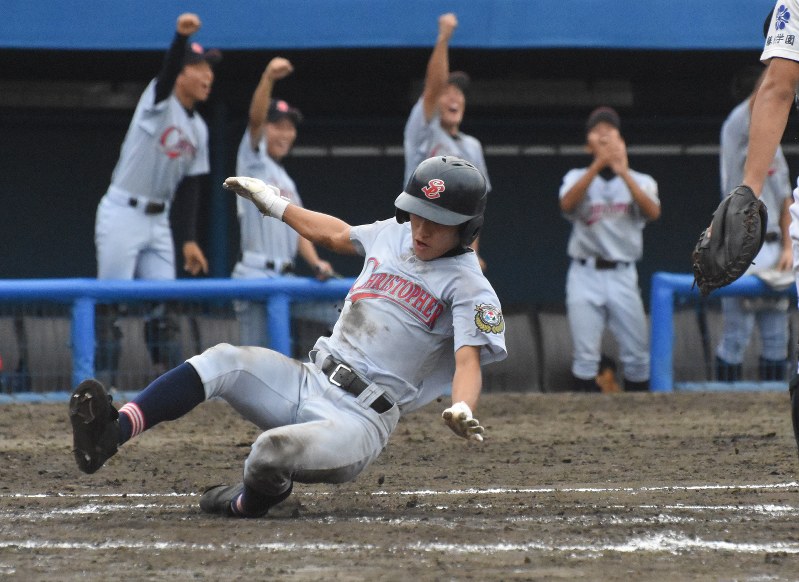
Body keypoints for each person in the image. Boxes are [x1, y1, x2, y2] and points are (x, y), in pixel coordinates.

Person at [69, 156, 507, 518]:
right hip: (308, 378)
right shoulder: (393, 235)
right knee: (223, 359)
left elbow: (467, 361)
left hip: (359, 420)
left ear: (467, 228)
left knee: (269, 452)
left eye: (437, 222)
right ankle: (113, 431)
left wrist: (463, 405)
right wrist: (275, 205)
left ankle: (247, 503)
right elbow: (334, 234)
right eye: (417, 214)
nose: (422, 229)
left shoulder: (469, 285)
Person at [94, 13, 220, 384]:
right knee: (111, 305)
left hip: (159, 219)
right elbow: (165, 76)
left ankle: (165, 384)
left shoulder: (199, 128)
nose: (208, 76)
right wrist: (179, 40)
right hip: (123, 210)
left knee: (165, 307)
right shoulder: (158, 100)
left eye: (210, 69)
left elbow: (191, 187)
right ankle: (100, 383)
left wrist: (189, 239)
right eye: (200, 68)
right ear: (182, 73)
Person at [232, 57, 338, 348]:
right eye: (277, 126)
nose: (286, 133)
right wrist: (267, 78)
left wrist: (316, 262)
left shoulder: (285, 179)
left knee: (337, 311)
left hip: (286, 277)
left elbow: (299, 227)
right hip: (256, 272)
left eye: (290, 127)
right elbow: (255, 120)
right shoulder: (252, 161)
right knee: (255, 356)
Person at [558, 107, 661, 393]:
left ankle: (639, 416)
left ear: (621, 140)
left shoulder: (641, 180)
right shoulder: (576, 176)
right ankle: (584, 417)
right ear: (587, 145)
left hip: (622, 273)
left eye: (610, 129)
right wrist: (597, 165)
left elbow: (653, 212)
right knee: (585, 357)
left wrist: (622, 171)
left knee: (637, 356)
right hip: (584, 272)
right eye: (596, 130)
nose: (603, 134)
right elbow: (566, 205)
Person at [714, 67, 793, 382]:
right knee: (736, 335)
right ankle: (722, 401)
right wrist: (780, 64)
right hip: (742, 241)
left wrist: (789, 247)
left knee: (777, 336)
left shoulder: (773, 144)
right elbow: (764, 97)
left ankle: (772, 401)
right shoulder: (735, 126)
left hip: (775, 246)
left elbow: (786, 199)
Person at [404, 13, 491, 270]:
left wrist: (471, 253)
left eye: (459, 93)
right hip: (416, 233)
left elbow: (475, 206)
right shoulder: (423, 129)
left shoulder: (472, 146)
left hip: (452, 242)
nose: (454, 97)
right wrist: (443, 39)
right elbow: (433, 87)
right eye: (448, 92)